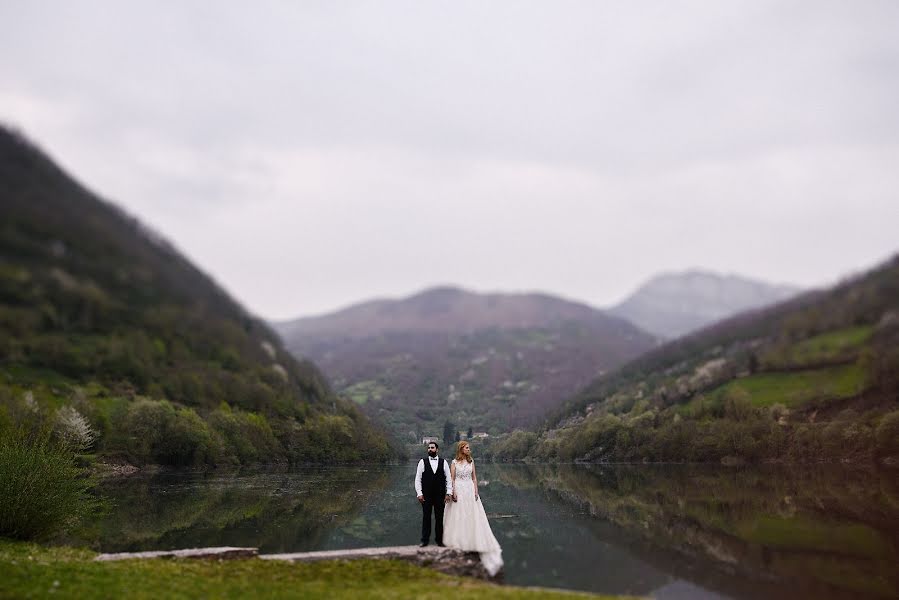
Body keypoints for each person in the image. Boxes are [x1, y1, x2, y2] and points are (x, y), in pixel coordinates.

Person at [443, 440, 503, 576]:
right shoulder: (453, 463)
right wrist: (453, 492)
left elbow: (474, 478)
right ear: (461, 449)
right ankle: (458, 541)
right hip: (458, 488)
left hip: (469, 489)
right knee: (458, 515)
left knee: (471, 515)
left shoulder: (471, 462)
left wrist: (476, 491)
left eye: (469, 448)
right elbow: (451, 479)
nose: (469, 449)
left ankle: (471, 539)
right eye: (467, 447)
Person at [413, 441, 452, 547]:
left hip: (440, 495)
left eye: (432, 447)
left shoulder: (444, 462)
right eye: (429, 448)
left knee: (440, 519)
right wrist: (419, 493)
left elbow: (449, 479)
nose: (430, 449)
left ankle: (440, 541)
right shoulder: (422, 462)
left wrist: (448, 493)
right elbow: (418, 479)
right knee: (426, 517)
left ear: (437, 449)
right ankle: (424, 541)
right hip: (426, 495)